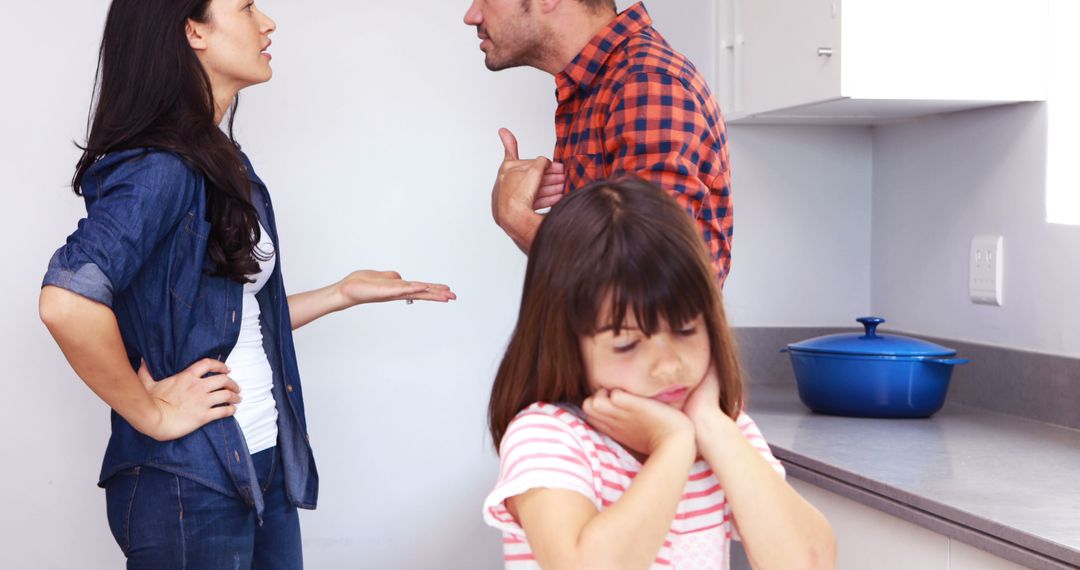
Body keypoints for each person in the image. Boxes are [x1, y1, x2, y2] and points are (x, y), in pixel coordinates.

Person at [37, 0, 455, 567]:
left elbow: (227, 316)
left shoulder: (218, 157)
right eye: (246, 6)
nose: (267, 22)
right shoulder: (158, 166)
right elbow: (66, 301)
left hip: (260, 462)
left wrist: (340, 294)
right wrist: (150, 412)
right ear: (192, 31)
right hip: (188, 482)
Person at [482, 177, 835, 569]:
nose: (668, 366)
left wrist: (711, 425)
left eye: (685, 330)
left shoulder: (720, 428)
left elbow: (810, 562)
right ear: (566, 343)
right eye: (627, 344)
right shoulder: (548, 436)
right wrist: (673, 446)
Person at [465, 0, 735, 285]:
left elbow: (647, 280)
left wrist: (515, 217)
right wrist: (525, 218)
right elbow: (593, 267)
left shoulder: (644, 83)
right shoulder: (597, 86)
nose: (472, 16)